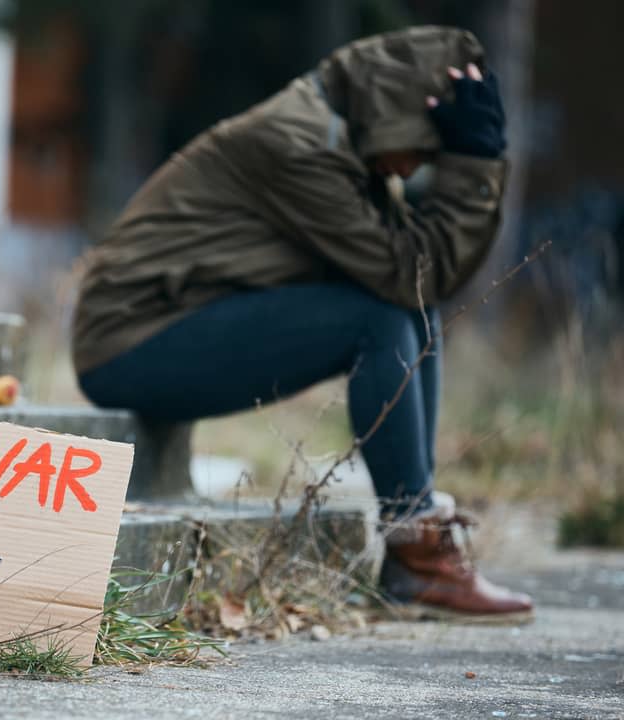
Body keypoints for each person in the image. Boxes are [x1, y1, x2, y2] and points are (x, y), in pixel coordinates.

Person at [71, 26, 533, 619]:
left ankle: (416, 553)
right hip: (127, 343)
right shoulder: (298, 145)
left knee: (403, 306)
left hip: (179, 321)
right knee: (380, 314)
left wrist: (480, 155)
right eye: (426, 145)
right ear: (394, 112)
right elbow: (410, 274)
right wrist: (473, 161)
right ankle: (417, 550)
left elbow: (425, 276)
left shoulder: (337, 143)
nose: (420, 165)